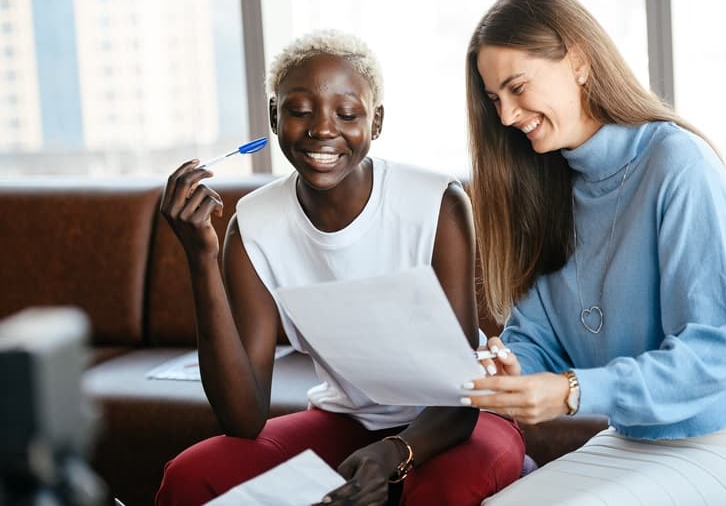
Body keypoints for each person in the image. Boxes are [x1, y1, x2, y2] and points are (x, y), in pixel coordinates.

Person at [155, 29, 525, 506]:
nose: (322, 130)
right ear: (274, 115)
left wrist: (394, 454)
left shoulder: (438, 203)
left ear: (375, 122)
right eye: (300, 111)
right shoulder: (252, 226)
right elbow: (242, 419)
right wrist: (200, 257)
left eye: (347, 114)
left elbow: (459, 397)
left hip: (461, 420)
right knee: (192, 476)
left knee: (439, 492)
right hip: (349, 421)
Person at [460, 0, 726, 506]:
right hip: (634, 440)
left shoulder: (678, 165)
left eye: (518, 87)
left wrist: (572, 391)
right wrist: (510, 369)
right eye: (494, 99)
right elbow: (537, 342)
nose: (506, 116)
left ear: (577, 61)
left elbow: (709, 357)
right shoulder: (541, 187)